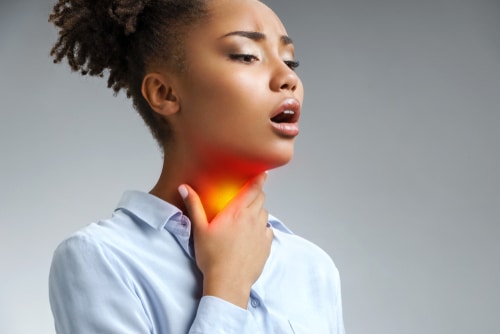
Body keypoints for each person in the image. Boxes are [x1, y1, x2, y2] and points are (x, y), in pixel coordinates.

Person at [48, 0, 345, 333]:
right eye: (247, 55)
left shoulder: (312, 268)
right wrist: (227, 287)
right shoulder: (102, 258)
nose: (288, 78)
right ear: (164, 93)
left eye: (290, 61)